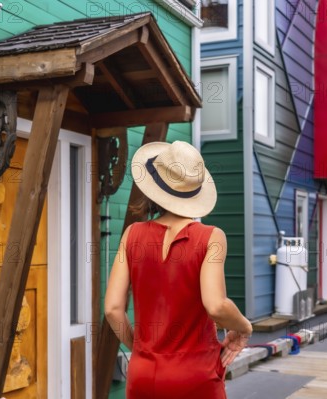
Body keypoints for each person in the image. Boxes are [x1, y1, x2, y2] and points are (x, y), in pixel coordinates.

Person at [104, 141, 253, 398]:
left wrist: (140, 349)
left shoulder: (132, 235)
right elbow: (216, 306)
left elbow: (112, 309)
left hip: (144, 375)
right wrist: (244, 327)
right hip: (196, 375)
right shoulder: (211, 237)